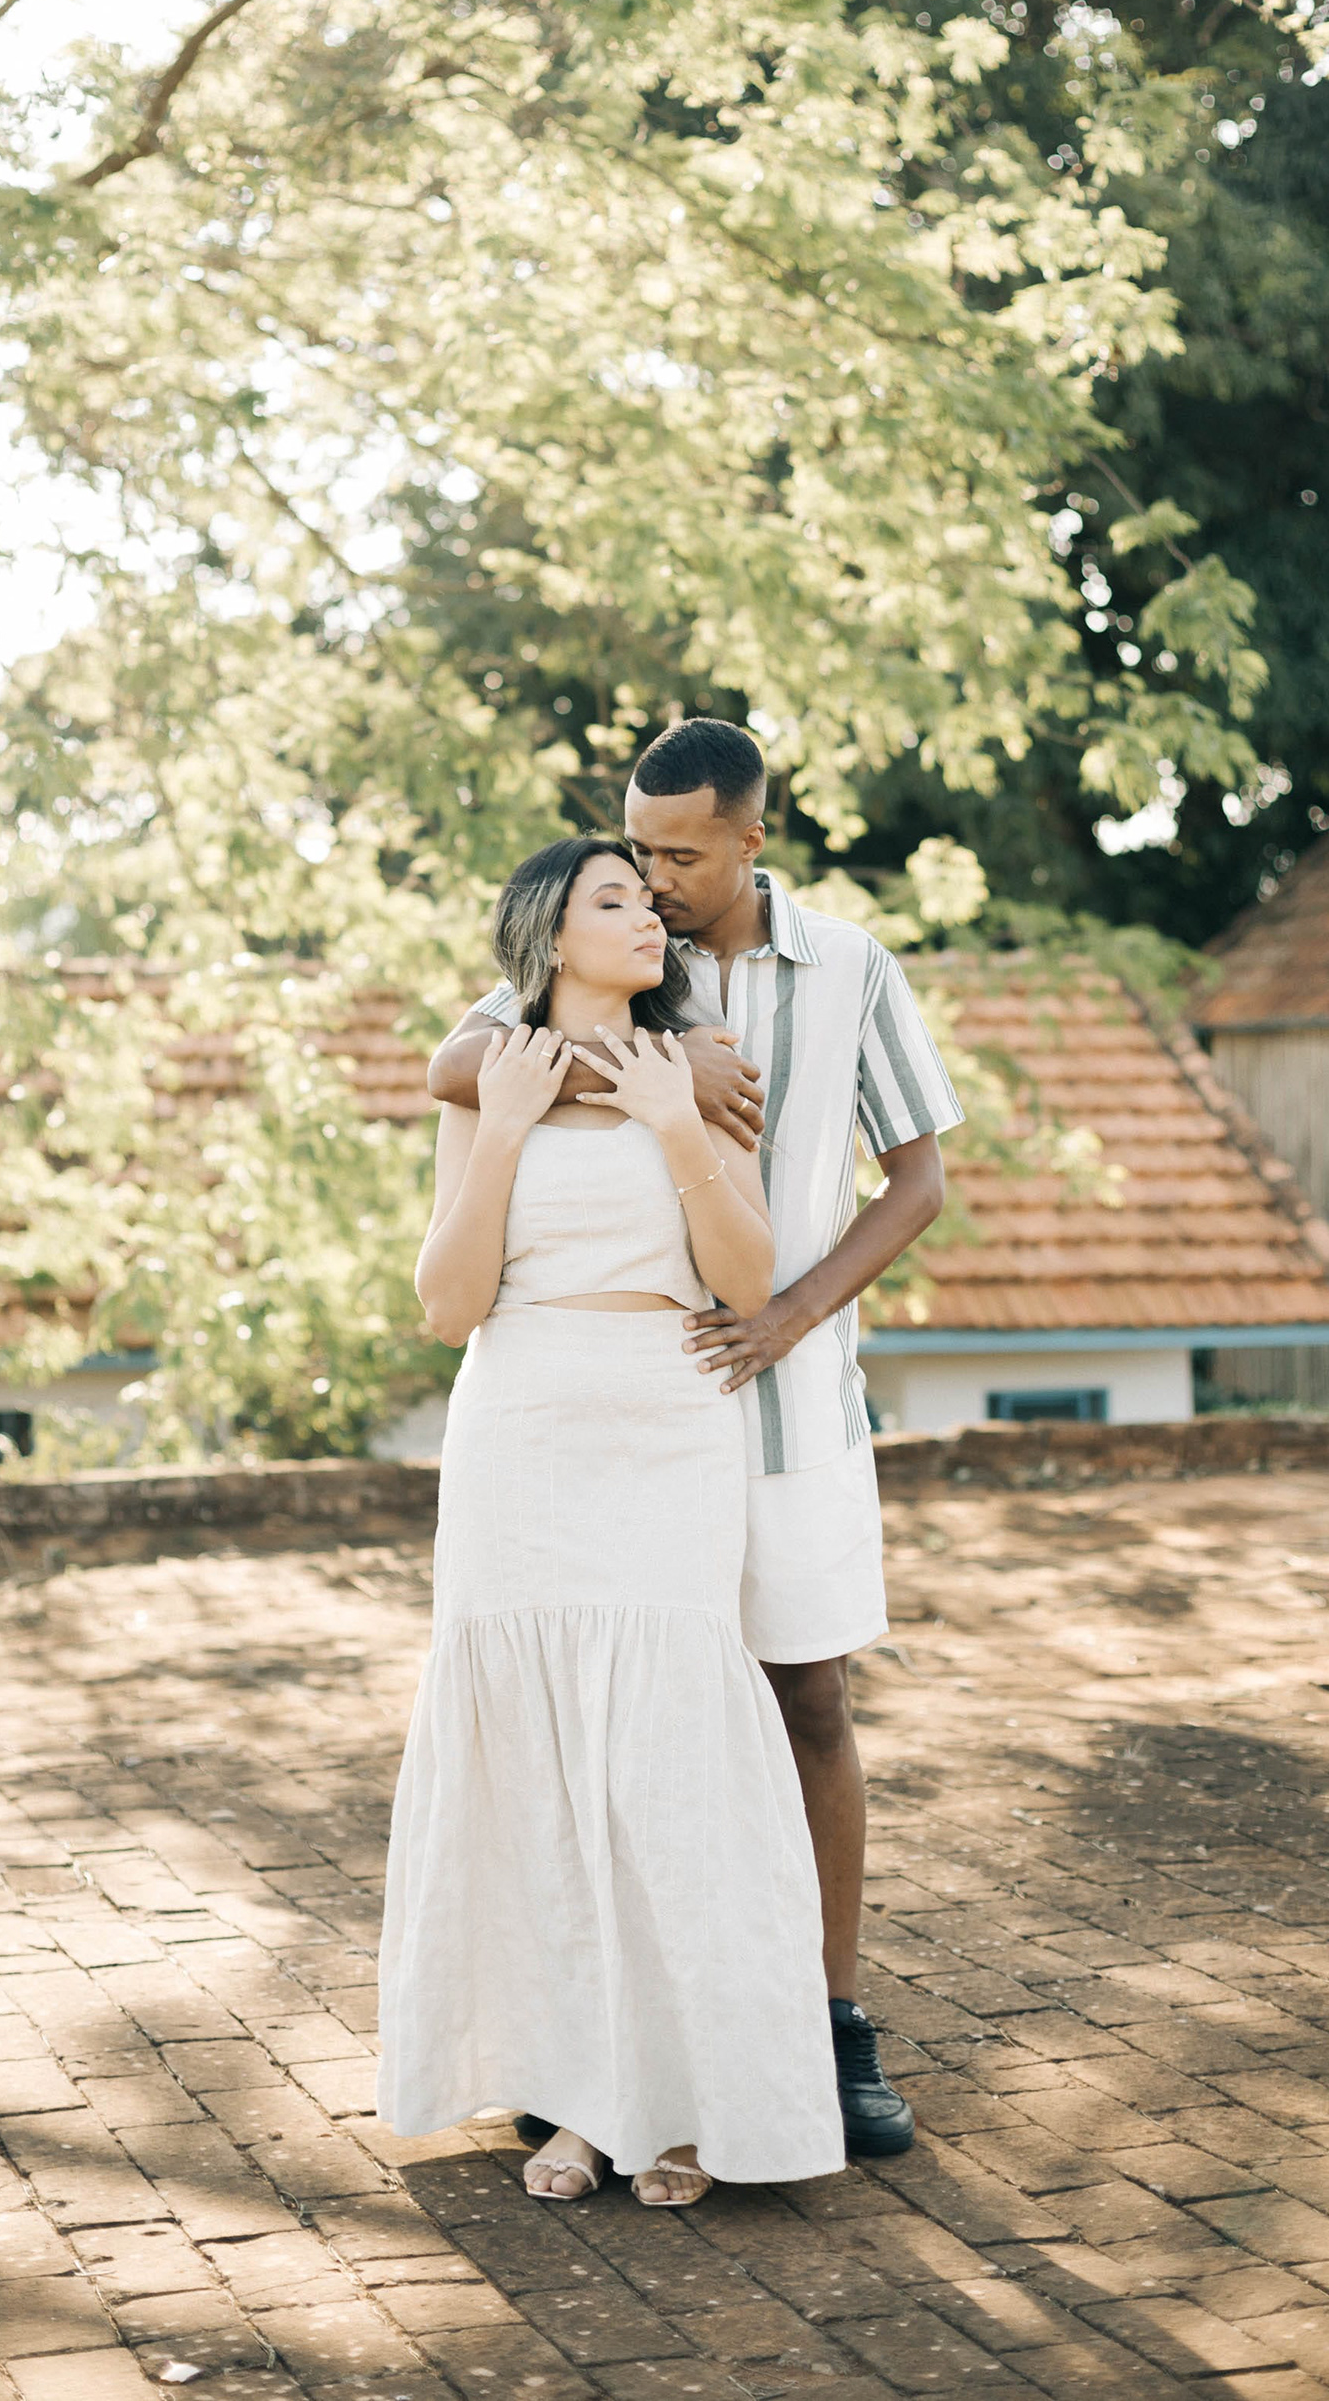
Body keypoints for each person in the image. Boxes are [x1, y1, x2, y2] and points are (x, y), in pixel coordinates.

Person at [426, 719, 962, 2158]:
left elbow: (917, 1183)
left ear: (750, 838)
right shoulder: (616, 949)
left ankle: (828, 2024)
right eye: (636, 851)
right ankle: (602, 2040)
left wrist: (788, 1317)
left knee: (808, 1704)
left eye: (677, 854)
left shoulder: (850, 969)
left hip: (782, 1400)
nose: (653, 879)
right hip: (624, 1410)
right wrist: (641, 1074)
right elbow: (461, 1064)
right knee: (617, 1717)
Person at [377, 835, 844, 2207]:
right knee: (538, 1771)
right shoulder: (494, 1072)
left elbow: (748, 1275)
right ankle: (582, 2103)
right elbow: (447, 1305)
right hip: (520, 1422)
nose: (649, 915)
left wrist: (678, 1123)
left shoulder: (697, 1065)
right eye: (614, 899)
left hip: (665, 1416)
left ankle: (686, 2102)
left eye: (649, 898)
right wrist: (506, 1128)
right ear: (549, 932)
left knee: (665, 1768)